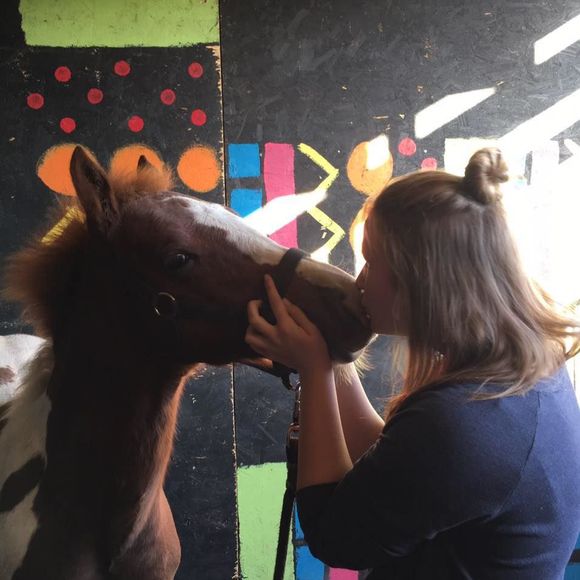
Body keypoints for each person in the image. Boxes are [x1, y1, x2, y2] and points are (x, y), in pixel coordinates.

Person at [245, 147, 580, 579]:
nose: (359, 282)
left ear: (420, 283)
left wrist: (315, 370)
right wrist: (331, 353)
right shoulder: (527, 370)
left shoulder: (464, 421)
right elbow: (399, 472)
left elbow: (334, 535)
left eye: (371, 263)